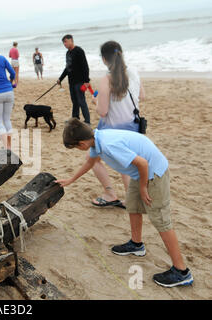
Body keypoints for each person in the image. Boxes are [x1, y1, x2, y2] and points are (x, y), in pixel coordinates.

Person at [57, 118, 194, 288]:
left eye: (76, 147)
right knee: (133, 206)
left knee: (161, 220)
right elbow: (90, 162)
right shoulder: (96, 140)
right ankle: (136, 245)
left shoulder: (108, 145)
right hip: (140, 174)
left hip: (153, 174)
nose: (78, 150)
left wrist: (144, 187)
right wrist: (71, 179)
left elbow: (142, 163)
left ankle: (181, 272)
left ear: (82, 143)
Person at [90, 41, 146, 208]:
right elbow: (142, 96)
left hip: (111, 130)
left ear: (104, 59)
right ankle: (130, 199)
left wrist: (95, 100)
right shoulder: (134, 72)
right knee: (126, 164)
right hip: (132, 126)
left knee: (92, 160)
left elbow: (102, 111)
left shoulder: (107, 79)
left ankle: (109, 193)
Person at [57, 34, 91, 124]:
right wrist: (60, 78)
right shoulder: (68, 53)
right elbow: (67, 68)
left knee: (81, 101)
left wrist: (87, 81)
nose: (64, 44)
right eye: (63, 43)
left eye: (66, 42)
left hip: (80, 81)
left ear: (71, 40)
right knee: (74, 102)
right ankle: (75, 119)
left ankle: (87, 121)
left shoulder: (79, 51)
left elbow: (85, 66)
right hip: (71, 82)